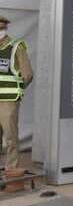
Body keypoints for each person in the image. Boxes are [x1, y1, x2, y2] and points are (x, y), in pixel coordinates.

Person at [0, 16, 33, 170]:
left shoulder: (16, 47)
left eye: (1, 28)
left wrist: (18, 88)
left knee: (10, 136)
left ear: (4, 29)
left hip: (9, 100)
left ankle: (11, 170)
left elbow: (28, 75)